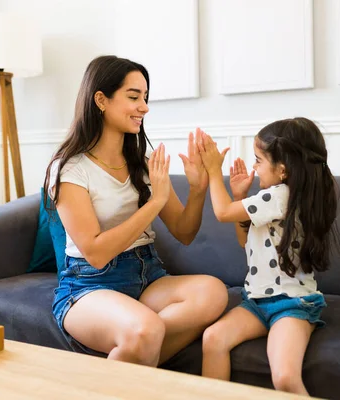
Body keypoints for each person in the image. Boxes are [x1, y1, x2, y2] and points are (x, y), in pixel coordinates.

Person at [43, 55, 228, 367]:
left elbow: (184, 232)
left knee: (213, 292)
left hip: (147, 275)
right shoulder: (69, 169)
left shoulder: (143, 163)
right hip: (90, 285)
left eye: (145, 97)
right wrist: (154, 202)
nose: (144, 107)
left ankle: (128, 355)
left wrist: (198, 189)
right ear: (100, 100)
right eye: (133, 97)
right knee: (146, 329)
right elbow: (96, 253)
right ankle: (140, 338)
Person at [198, 117, 339, 395]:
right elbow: (244, 242)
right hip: (257, 303)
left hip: (291, 305)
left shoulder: (278, 196)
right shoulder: (282, 197)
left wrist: (214, 171)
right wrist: (239, 194)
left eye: (259, 160)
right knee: (213, 338)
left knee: (285, 377)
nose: (254, 167)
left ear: (283, 169)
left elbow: (222, 212)